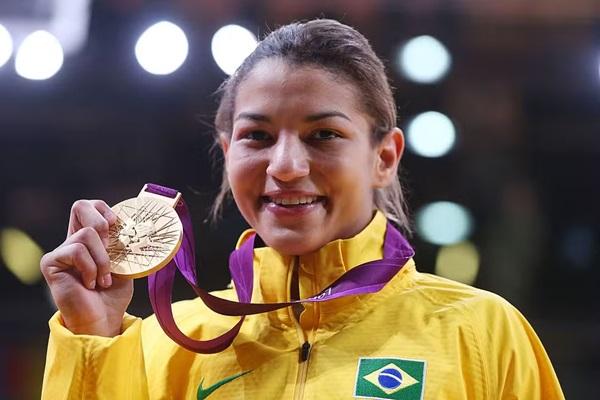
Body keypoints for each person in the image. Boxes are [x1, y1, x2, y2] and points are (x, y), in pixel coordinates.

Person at [40, 19, 564, 399]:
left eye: (324, 134)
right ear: (227, 155)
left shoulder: (480, 333)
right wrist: (93, 338)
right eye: (257, 136)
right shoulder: (166, 342)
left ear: (384, 157)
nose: (286, 165)